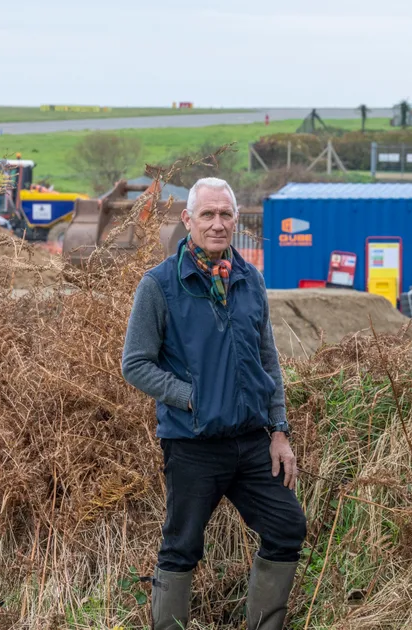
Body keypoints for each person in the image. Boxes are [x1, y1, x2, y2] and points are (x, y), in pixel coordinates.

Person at [121, 177, 306, 630]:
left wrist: (279, 430)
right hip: (192, 444)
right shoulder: (160, 285)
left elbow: (269, 361)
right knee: (181, 547)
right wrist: (192, 399)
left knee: (287, 528)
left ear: (235, 219)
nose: (218, 224)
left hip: (250, 443)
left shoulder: (250, 279)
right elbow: (135, 364)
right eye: (208, 214)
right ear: (188, 220)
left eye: (226, 214)